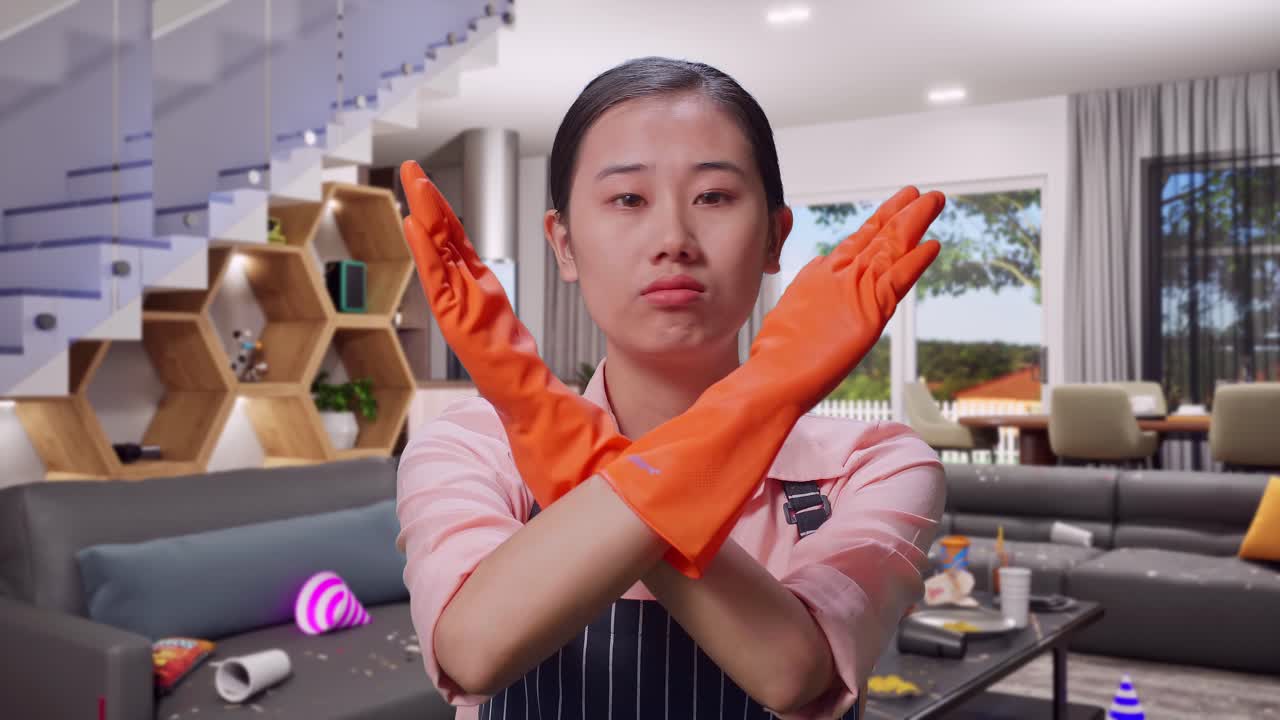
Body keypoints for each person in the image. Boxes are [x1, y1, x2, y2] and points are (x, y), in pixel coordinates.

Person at [395, 56, 947, 720]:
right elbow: (474, 651)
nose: (673, 240)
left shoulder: (873, 465)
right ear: (563, 244)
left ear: (775, 238)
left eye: (713, 197)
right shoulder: (472, 446)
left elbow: (792, 674)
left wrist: (568, 447)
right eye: (629, 199)